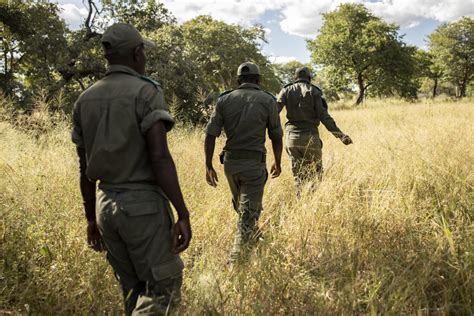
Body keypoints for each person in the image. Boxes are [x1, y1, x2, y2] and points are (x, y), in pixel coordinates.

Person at [71, 23, 192, 315]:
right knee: (162, 292)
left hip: (105, 206)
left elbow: (83, 167)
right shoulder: (146, 91)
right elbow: (159, 156)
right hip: (143, 209)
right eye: (143, 52)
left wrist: (91, 219)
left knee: (132, 291)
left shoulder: (85, 99)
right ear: (138, 53)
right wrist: (182, 213)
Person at [204, 62, 283, 263]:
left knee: (243, 208)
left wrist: (208, 165)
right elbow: (276, 135)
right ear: (258, 80)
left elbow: (210, 134)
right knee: (247, 212)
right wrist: (278, 161)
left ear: (238, 80)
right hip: (254, 165)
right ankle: (236, 260)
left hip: (230, 165)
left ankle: (254, 238)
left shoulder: (224, 100)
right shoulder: (268, 100)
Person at [277, 67, 352, 191]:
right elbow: (324, 117)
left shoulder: (286, 90)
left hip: (291, 139)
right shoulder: (315, 92)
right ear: (309, 78)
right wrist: (340, 135)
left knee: (298, 176)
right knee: (316, 175)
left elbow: (275, 110)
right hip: (310, 137)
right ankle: (313, 202)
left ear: (295, 78)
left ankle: (301, 204)